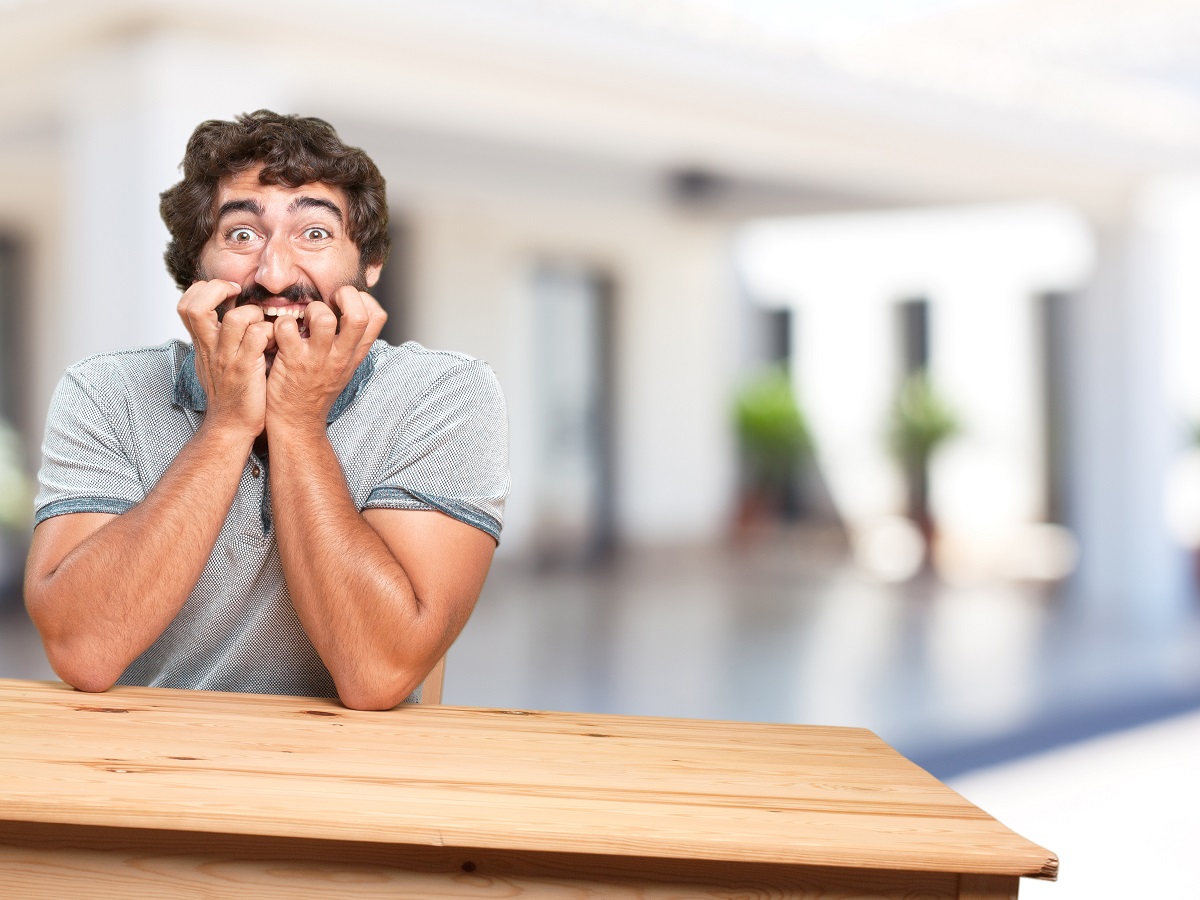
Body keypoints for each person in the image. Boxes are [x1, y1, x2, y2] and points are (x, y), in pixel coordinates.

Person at [24, 111, 509, 710]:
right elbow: (83, 651)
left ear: (370, 265)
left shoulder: (443, 394)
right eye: (241, 235)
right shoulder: (106, 389)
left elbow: (379, 671)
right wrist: (227, 425)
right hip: (138, 771)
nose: (275, 275)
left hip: (351, 781)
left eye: (315, 234)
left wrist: (297, 423)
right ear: (194, 269)